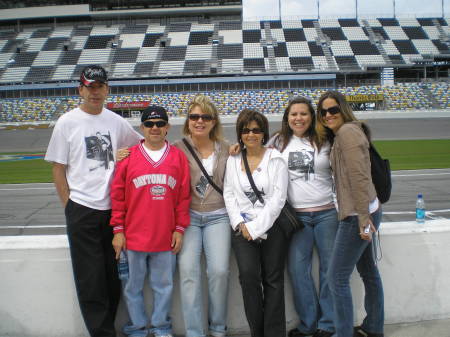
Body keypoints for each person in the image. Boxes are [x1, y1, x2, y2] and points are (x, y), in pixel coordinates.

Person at [44, 65, 142, 337]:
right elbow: (57, 167)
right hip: (82, 209)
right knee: (90, 280)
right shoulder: (67, 122)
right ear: (81, 90)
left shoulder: (115, 121)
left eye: (99, 87)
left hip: (112, 211)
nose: (95, 92)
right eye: (89, 87)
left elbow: (142, 146)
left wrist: (126, 156)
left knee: (113, 278)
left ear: (107, 89)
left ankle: (107, 327)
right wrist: (69, 206)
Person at [110, 105, 191, 337]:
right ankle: (137, 327)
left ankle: (160, 327)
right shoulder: (128, 158)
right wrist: (118, 230)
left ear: (167, 127)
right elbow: (117, 197)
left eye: (159, 124)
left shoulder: (177, 157)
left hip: (165, 237)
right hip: (132, 238)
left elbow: (183, 197)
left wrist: (179, 229)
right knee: (132, 287)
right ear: (141, 127)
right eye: (149, 124)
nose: (154, 128)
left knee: (163, 287)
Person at [316, 91, 384, 337]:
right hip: (365, 210)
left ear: (343, 110)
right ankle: (374, 328)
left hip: (357, 214)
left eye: (333, 110)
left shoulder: (346, 133)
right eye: (323, 112)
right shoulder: (346, 132)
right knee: (368, 273)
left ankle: (343, 333)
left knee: (336, 278)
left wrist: (363, 220)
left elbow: (359, 177)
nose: (328, 115)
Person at [269, 97, 338, 337]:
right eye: (293, 114)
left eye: (304, 114)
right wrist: (237, 150)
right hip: (295, 218)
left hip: (327, 213)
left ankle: (328, 324)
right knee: (298, 271)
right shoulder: (278, 141)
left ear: (312, 117)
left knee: (330, 270)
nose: (298, 118)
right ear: (287, 118)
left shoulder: (326, 139)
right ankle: (308, 324)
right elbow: (254, 155)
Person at [223, 109, 289, 337]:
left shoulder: (276, 159)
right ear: (240, 133)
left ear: (263, 133)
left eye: (256, 130)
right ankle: (257, 331)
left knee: (273, 279)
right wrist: (240, 225)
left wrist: (255, 228)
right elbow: (229, 194)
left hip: (272, 227)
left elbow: (278, 199)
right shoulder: (232, 159)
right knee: (249, 278)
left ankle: (275, 333)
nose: (251, 134)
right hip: (242, 229)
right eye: (246, 130)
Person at [174, 95, 231, 337]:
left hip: (219, 215)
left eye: (205, 117)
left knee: (219, 271)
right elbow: (149, 151)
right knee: (188, 273)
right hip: (189, 218)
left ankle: (218, 328)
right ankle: (195, 332)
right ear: (188, 121)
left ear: (214, 121)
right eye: (195, 116)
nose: (200, 121)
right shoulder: (176, 148)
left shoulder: (227, 148)